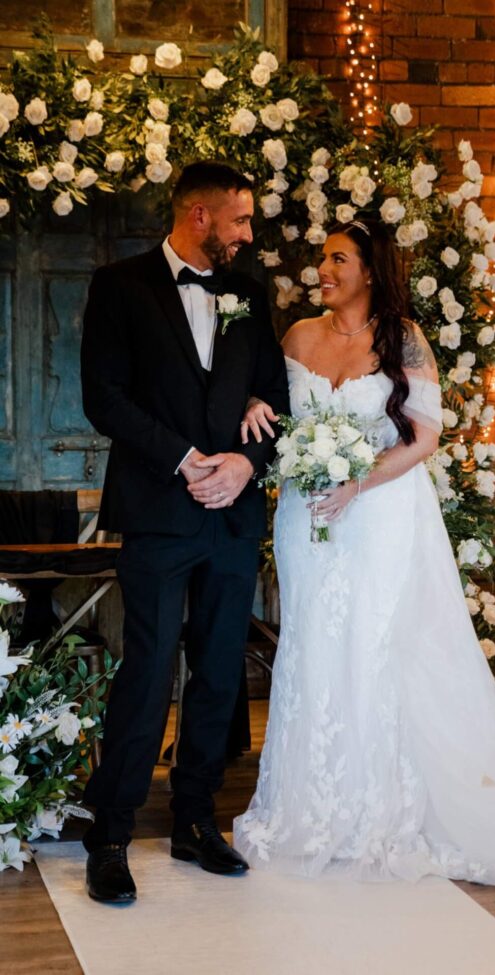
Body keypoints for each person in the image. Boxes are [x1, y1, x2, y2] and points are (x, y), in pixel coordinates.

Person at [233, 218, 495, 903]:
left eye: (337, 258)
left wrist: (356, 481)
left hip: (379, 512)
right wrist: (255, 401)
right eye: (322, 257)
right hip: (308, 520)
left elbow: (424, 437)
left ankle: (380, 804)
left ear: (369, 270)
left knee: (374, 644)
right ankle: (310, 800)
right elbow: (277, 408)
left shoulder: (403, 339)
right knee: (314, 643)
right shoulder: (298, 337)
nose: (323, 268)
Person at [80, 161, 289, 903]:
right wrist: (185, 458)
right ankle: (109, 831)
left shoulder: (249, 293)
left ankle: (196, 818)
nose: (247, 234)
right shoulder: (120, 287)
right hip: (159, 512)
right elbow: (103, 398)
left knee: (221, 671)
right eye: (239, 220)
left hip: (231, 514)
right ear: (200, 217)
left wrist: (245, 461)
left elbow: (277, 395)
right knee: (146, 669)